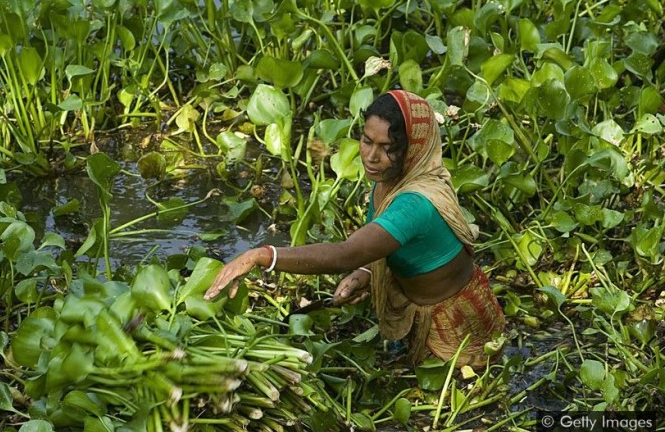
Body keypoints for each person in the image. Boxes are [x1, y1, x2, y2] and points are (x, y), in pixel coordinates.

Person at [204, 90, 505, 369]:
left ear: (414, 150)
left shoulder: (415, 203)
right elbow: (398, 246)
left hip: (457, 329)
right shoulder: (391, 179)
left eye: (388, 148)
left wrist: (261, 256)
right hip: (422, 306)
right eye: (367, 141)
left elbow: (345, 254)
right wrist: (369, 273)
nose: (372, 157)